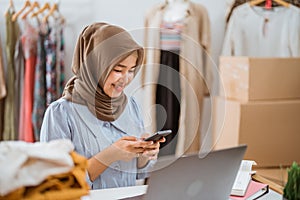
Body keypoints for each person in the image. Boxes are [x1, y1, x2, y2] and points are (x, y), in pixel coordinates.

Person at [40, 22, 165, 190]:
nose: (125, 79)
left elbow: (138, 174)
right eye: (118, 70)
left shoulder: (131, 106)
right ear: (95, 65)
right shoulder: (60, 113)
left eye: (131, 70)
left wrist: (144, 155)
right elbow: (57, 183)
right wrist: (111, 155)